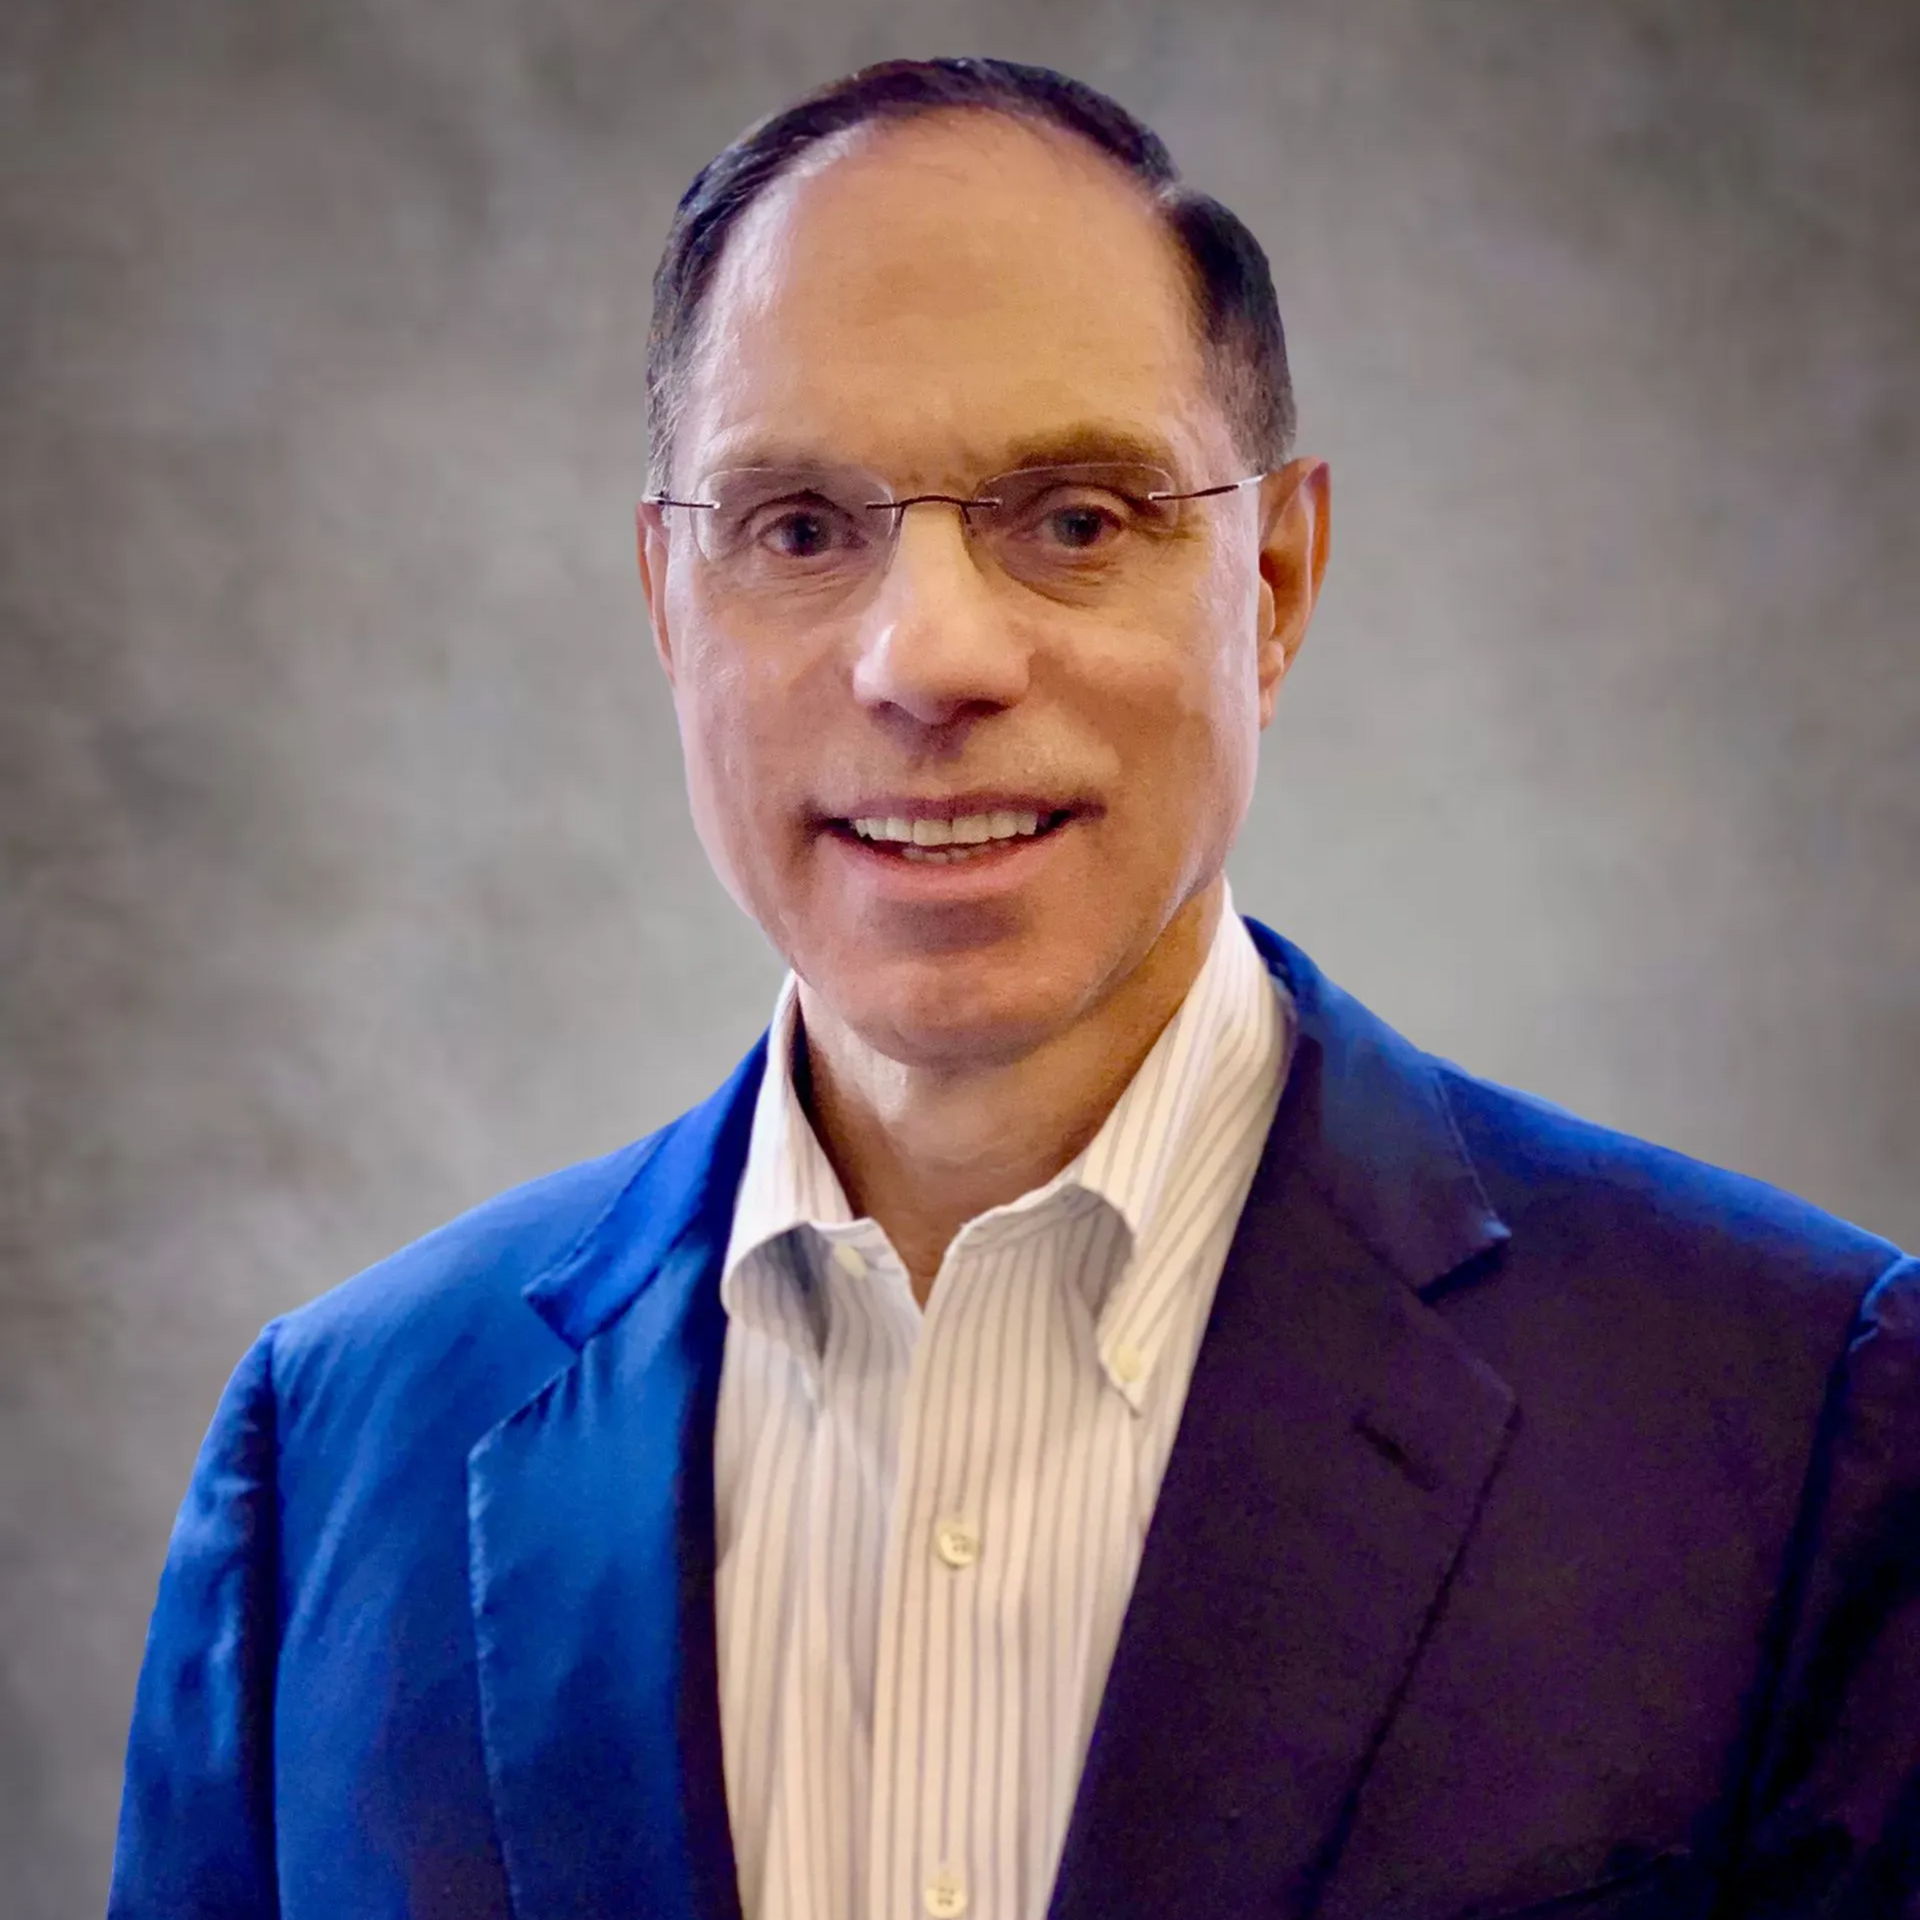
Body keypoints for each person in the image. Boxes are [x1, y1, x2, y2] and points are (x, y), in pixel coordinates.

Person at [108, 54, 1917, 1920]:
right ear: (668, 603)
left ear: (1277, 579)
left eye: (1075, 518)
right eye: (800, 527)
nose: (931, 657)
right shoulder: (333, 1459)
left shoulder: (1799, 1425)